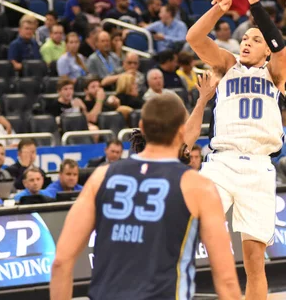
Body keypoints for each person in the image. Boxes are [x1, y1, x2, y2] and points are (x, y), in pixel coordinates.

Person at [50, 94, 241, 300]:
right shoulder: (198, 186)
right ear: (181, 131)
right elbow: (227, 280)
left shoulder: (102, 176)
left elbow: (61, 262)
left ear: (141, 126)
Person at [185, 0, 286, 299]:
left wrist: (255, 5)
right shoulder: (226, 65)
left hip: (259, 167)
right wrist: (220, 8)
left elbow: (279, 44)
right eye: (245, 38)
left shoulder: (275, 72)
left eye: (255, 40)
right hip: (222, 163)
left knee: (255, 260)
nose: (247, 42)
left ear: (266, 51)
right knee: (190, 227)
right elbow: (195, 38)